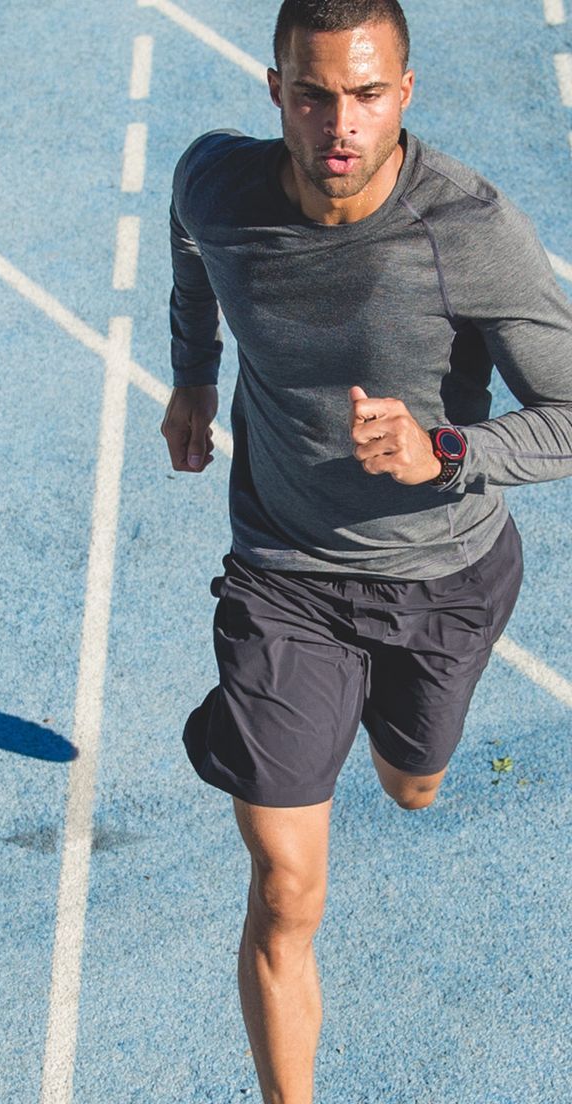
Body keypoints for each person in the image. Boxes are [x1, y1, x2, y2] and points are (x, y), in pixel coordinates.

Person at [159, 1, 572, 1100]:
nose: (338, 123)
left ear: (407, 91)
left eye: (367, 93)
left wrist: (442, 448)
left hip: (444, 578)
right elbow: (189, 238)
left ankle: (386, 744)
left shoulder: (469, 232)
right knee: (287, 888)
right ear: (274, 88)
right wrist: (191, 371)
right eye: (311, 93)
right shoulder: (219, 186)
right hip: (286, 576)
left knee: (412, 786)